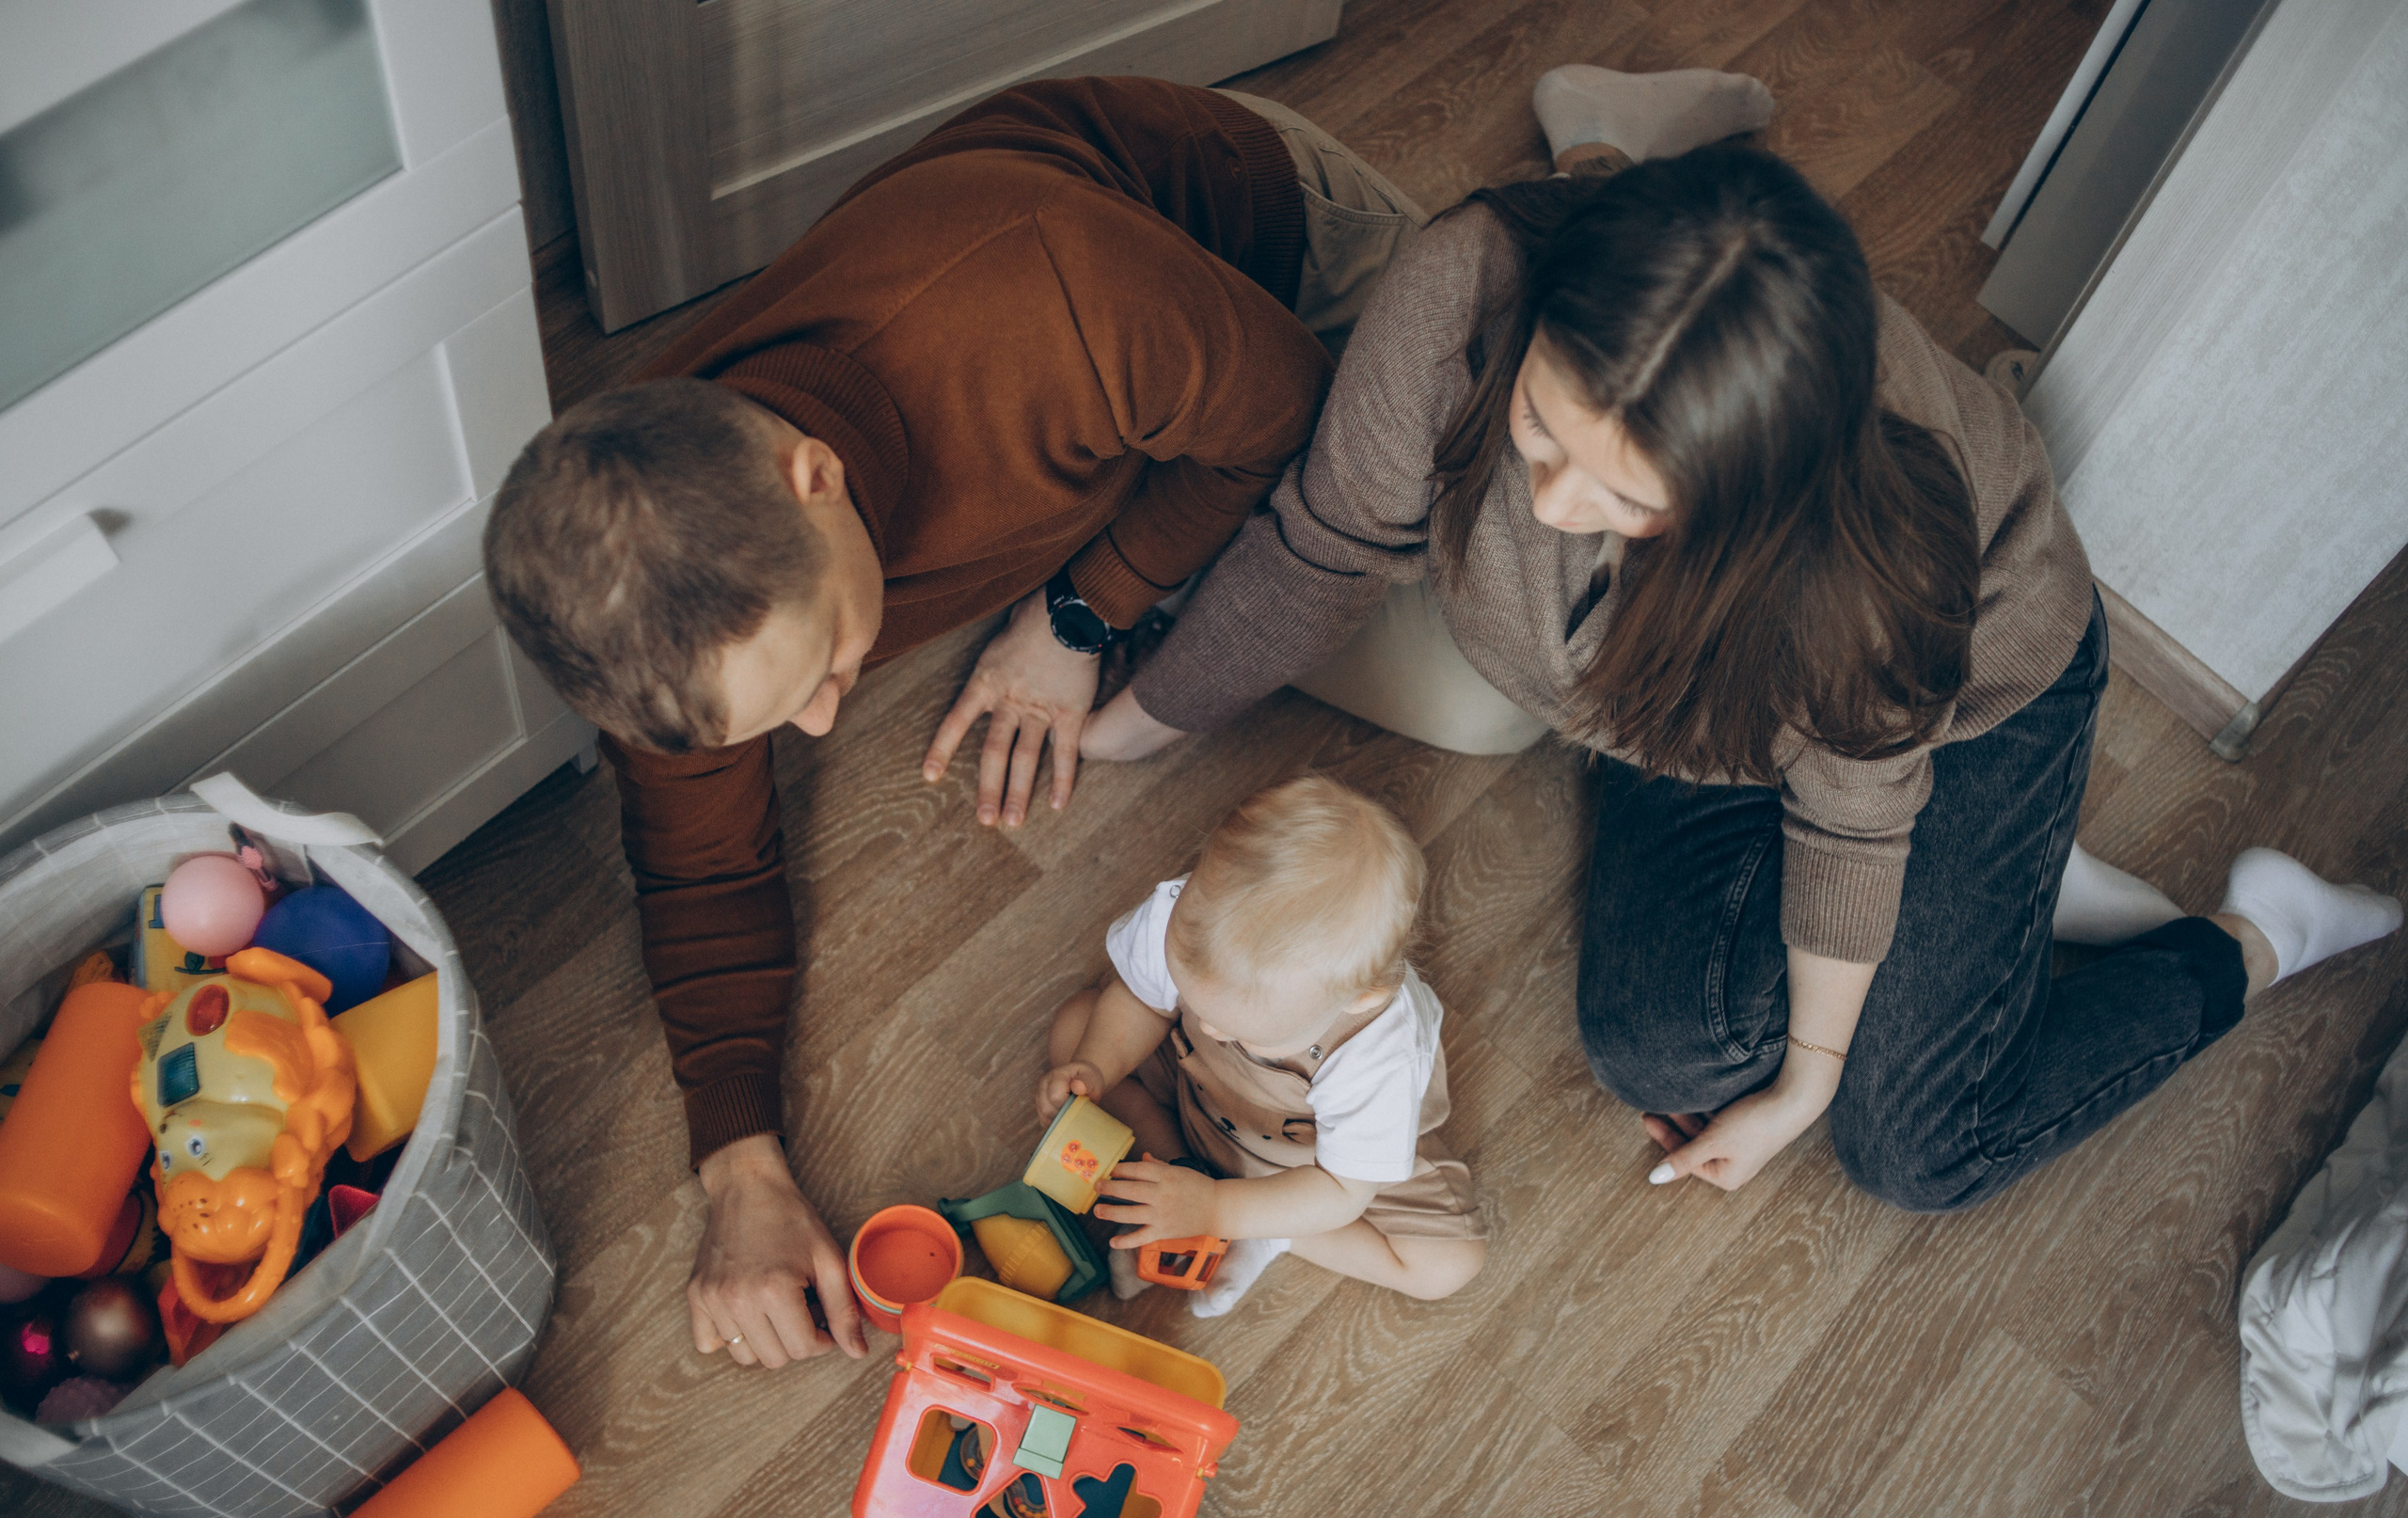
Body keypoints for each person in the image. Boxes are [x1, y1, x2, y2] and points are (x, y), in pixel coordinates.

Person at [1085, 69, 2403, 1210]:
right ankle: (1610, 141)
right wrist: (1134, 719)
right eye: (1543, 433)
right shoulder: (1464, 286)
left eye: (1626, 498)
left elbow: (1846, 822)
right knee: (1667, 1052)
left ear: (1751, 500)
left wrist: (1812, 1078)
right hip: (1699, 722)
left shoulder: (1871, 569)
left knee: (1918, 1146)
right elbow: (1327, 539)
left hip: (1969, 700)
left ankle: (2251, 935)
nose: (1549, 507)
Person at [483, 77, 1429, 1369]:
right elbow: (702, 869)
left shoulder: (1048, 297)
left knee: (1474, 688)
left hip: (1271, 253)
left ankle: (1576, 206)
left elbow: (1285, 407)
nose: (825, 724)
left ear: (809, 479)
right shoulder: (650, 601)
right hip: (1141, 410)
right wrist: (741, 1164)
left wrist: (1082, 614)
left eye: (823, 665)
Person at [1038, 775, 1484, 1317]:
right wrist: (1098, 1064)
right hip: (1202, 1092)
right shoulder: (1195, 919)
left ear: (1360, 998)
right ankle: (1175, 1173)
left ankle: (1267, 1231)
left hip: (1311, 1163)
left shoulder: (1379, 1057)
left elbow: (1343, 1189)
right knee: (1075, 1030)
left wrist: (1219, 1211)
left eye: (1243, 1030)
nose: (1214, 1030)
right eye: (1196, 1003)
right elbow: (1141, 1001)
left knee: (1446, 1266)